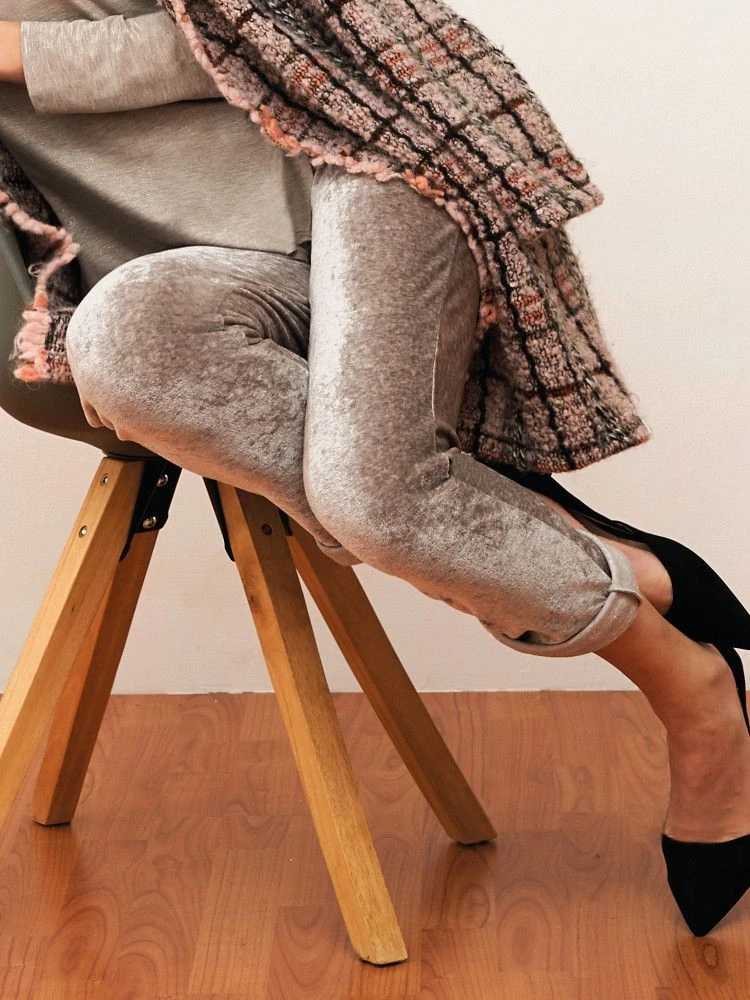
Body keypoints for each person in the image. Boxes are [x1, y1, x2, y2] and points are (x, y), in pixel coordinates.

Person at [1, 3, 749, 936]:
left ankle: (690, 691)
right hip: (205, 271)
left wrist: (9, 51)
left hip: (360, 147)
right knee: (122, 344)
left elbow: (246, 35)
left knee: (369, 497)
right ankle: (623, 565)